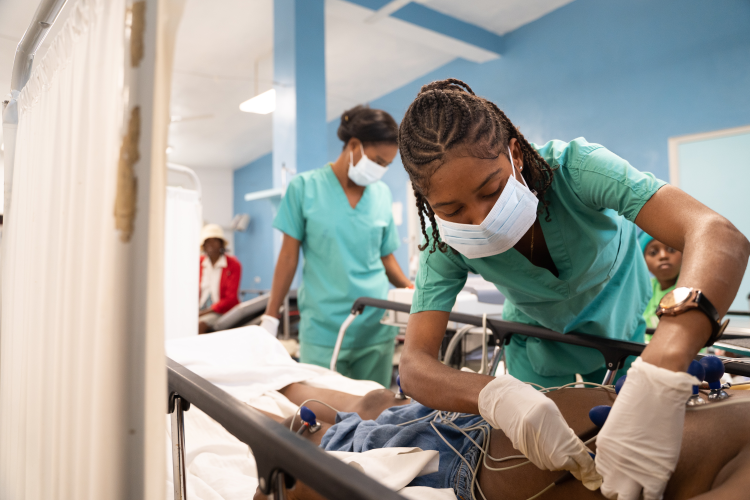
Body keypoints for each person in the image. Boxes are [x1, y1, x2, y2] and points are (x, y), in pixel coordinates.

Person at [394, 79, 750, 499]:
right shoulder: (443, 241)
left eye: (491, 191)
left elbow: (716, 233)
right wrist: (495, 395)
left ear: (515, 154)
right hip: (538, 343)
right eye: (452, 210)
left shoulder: (577, 170)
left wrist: (663, 363)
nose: (480, 220)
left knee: (646, 443)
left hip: (622, 318)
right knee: (555, 465)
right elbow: (415, 364)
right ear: (426, 201)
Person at [252, 381, 750, 500]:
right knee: (375, 402)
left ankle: (291, 416)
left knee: (342, 421)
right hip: (486, 414)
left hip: (466, 456)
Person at [260, 105, 413, 387]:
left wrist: (411, 290)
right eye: (378, 161)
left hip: (375, 328)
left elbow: (386, 258)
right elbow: (288, 258)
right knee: (323, 415)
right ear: (354, 146)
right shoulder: (304, 188)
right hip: (324, 330)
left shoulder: (381, 194)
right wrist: (270, 318)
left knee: (372, 416)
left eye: (386, 165)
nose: (380, 171)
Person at [198, 224, 242, 334]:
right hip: (200, 309)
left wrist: (202, 313)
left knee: (199, 325)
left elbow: (230, 298)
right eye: (207, 241)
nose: (211, 245)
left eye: (215, 241)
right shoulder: (198, 263)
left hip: (222, 311)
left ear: (221, 244)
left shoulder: (233, 265)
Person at [640, 232, 683, 332]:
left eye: (671, 250)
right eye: (653, 252)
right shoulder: (643, 289)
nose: (663, 256)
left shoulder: (691, 288)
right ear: (644, 261)